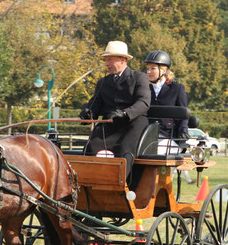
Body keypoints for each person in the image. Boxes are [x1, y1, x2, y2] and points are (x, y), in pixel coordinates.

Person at [79, 41, 151, 179]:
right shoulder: (103, 82)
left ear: (122, 60)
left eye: (109, 60)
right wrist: (88, 113)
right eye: (106, 60)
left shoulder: (139, 78)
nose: (106, 64)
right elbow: (95, 105)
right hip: (110, 124)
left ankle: (122, 184)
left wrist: (125, 113)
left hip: (133, 123)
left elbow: (144, 102)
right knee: (92, 146)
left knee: (124, 150)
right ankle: (92, 181)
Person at [143, 49, 193, 183]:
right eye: (147, 69)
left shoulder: (177, 89)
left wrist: (183, 132)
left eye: (152, 68)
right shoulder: (144, 89)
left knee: (156, 152)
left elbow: (183, 113)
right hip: (147, 136)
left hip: (169, 137)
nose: (148, 72)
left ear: (163, 70)